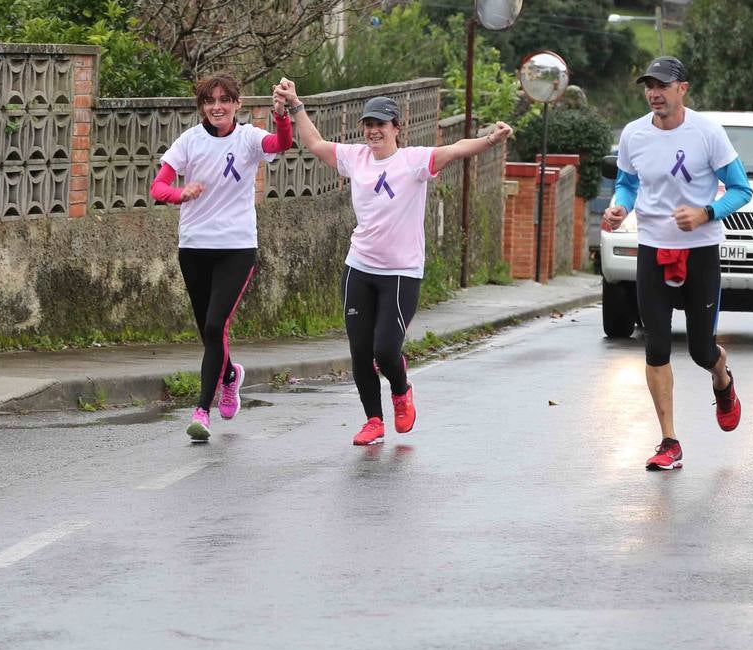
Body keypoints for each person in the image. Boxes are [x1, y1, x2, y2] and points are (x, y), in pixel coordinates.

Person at [276, 78, 512, 446]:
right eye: (368, 125)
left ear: (396, 128)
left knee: (386, 350)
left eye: (380, 125)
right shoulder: (355, 159)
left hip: (401, 273)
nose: (373, 132)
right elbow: (316, 143)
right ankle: (374, 420)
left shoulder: (413, 161)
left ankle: (401, 390)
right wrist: (295, 104)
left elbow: (455, 149)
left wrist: (490, 140)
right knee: (359, 352)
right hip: (359, 267)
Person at [602, 56, 753, 470]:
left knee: (702, 350)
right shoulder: (634, 134)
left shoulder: (708, 133)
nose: (654, 93)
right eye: (649, 86)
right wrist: (619, 207)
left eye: (662, 86)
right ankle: (669, 441)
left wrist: (706, 212)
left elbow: (742, 190)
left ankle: (722, 382)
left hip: (700, 251)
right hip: (652, 247)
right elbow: (628, 183)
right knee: (656, 345)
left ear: (682, 89)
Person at [149, 72, 294, 442]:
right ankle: (230, 376)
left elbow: (280, 144)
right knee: (207, 331)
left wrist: (281, 113)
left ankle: (202, 410)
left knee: (216, 327)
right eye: (210, 101)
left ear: (237, 104)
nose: (217, 107)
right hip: (194, 246)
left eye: (224, 100)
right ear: (202, 106)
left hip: (236, 246)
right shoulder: (189, 141)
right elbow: (158, 186)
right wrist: (179, 194)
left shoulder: (248, 138)